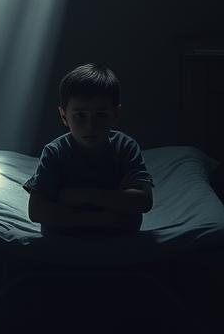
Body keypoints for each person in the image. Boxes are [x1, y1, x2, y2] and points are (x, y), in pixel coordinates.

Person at [23, 64, 154, 235]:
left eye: (100, 115)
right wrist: (104, 216)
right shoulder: (55, 152)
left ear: (115, 114)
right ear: (64, 116)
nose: (90, 126)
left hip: (115, 240)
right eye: (80, 116)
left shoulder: (125, 147)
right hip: (67, 242)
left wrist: (79, 196)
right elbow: (36, 211)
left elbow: (144, 202)